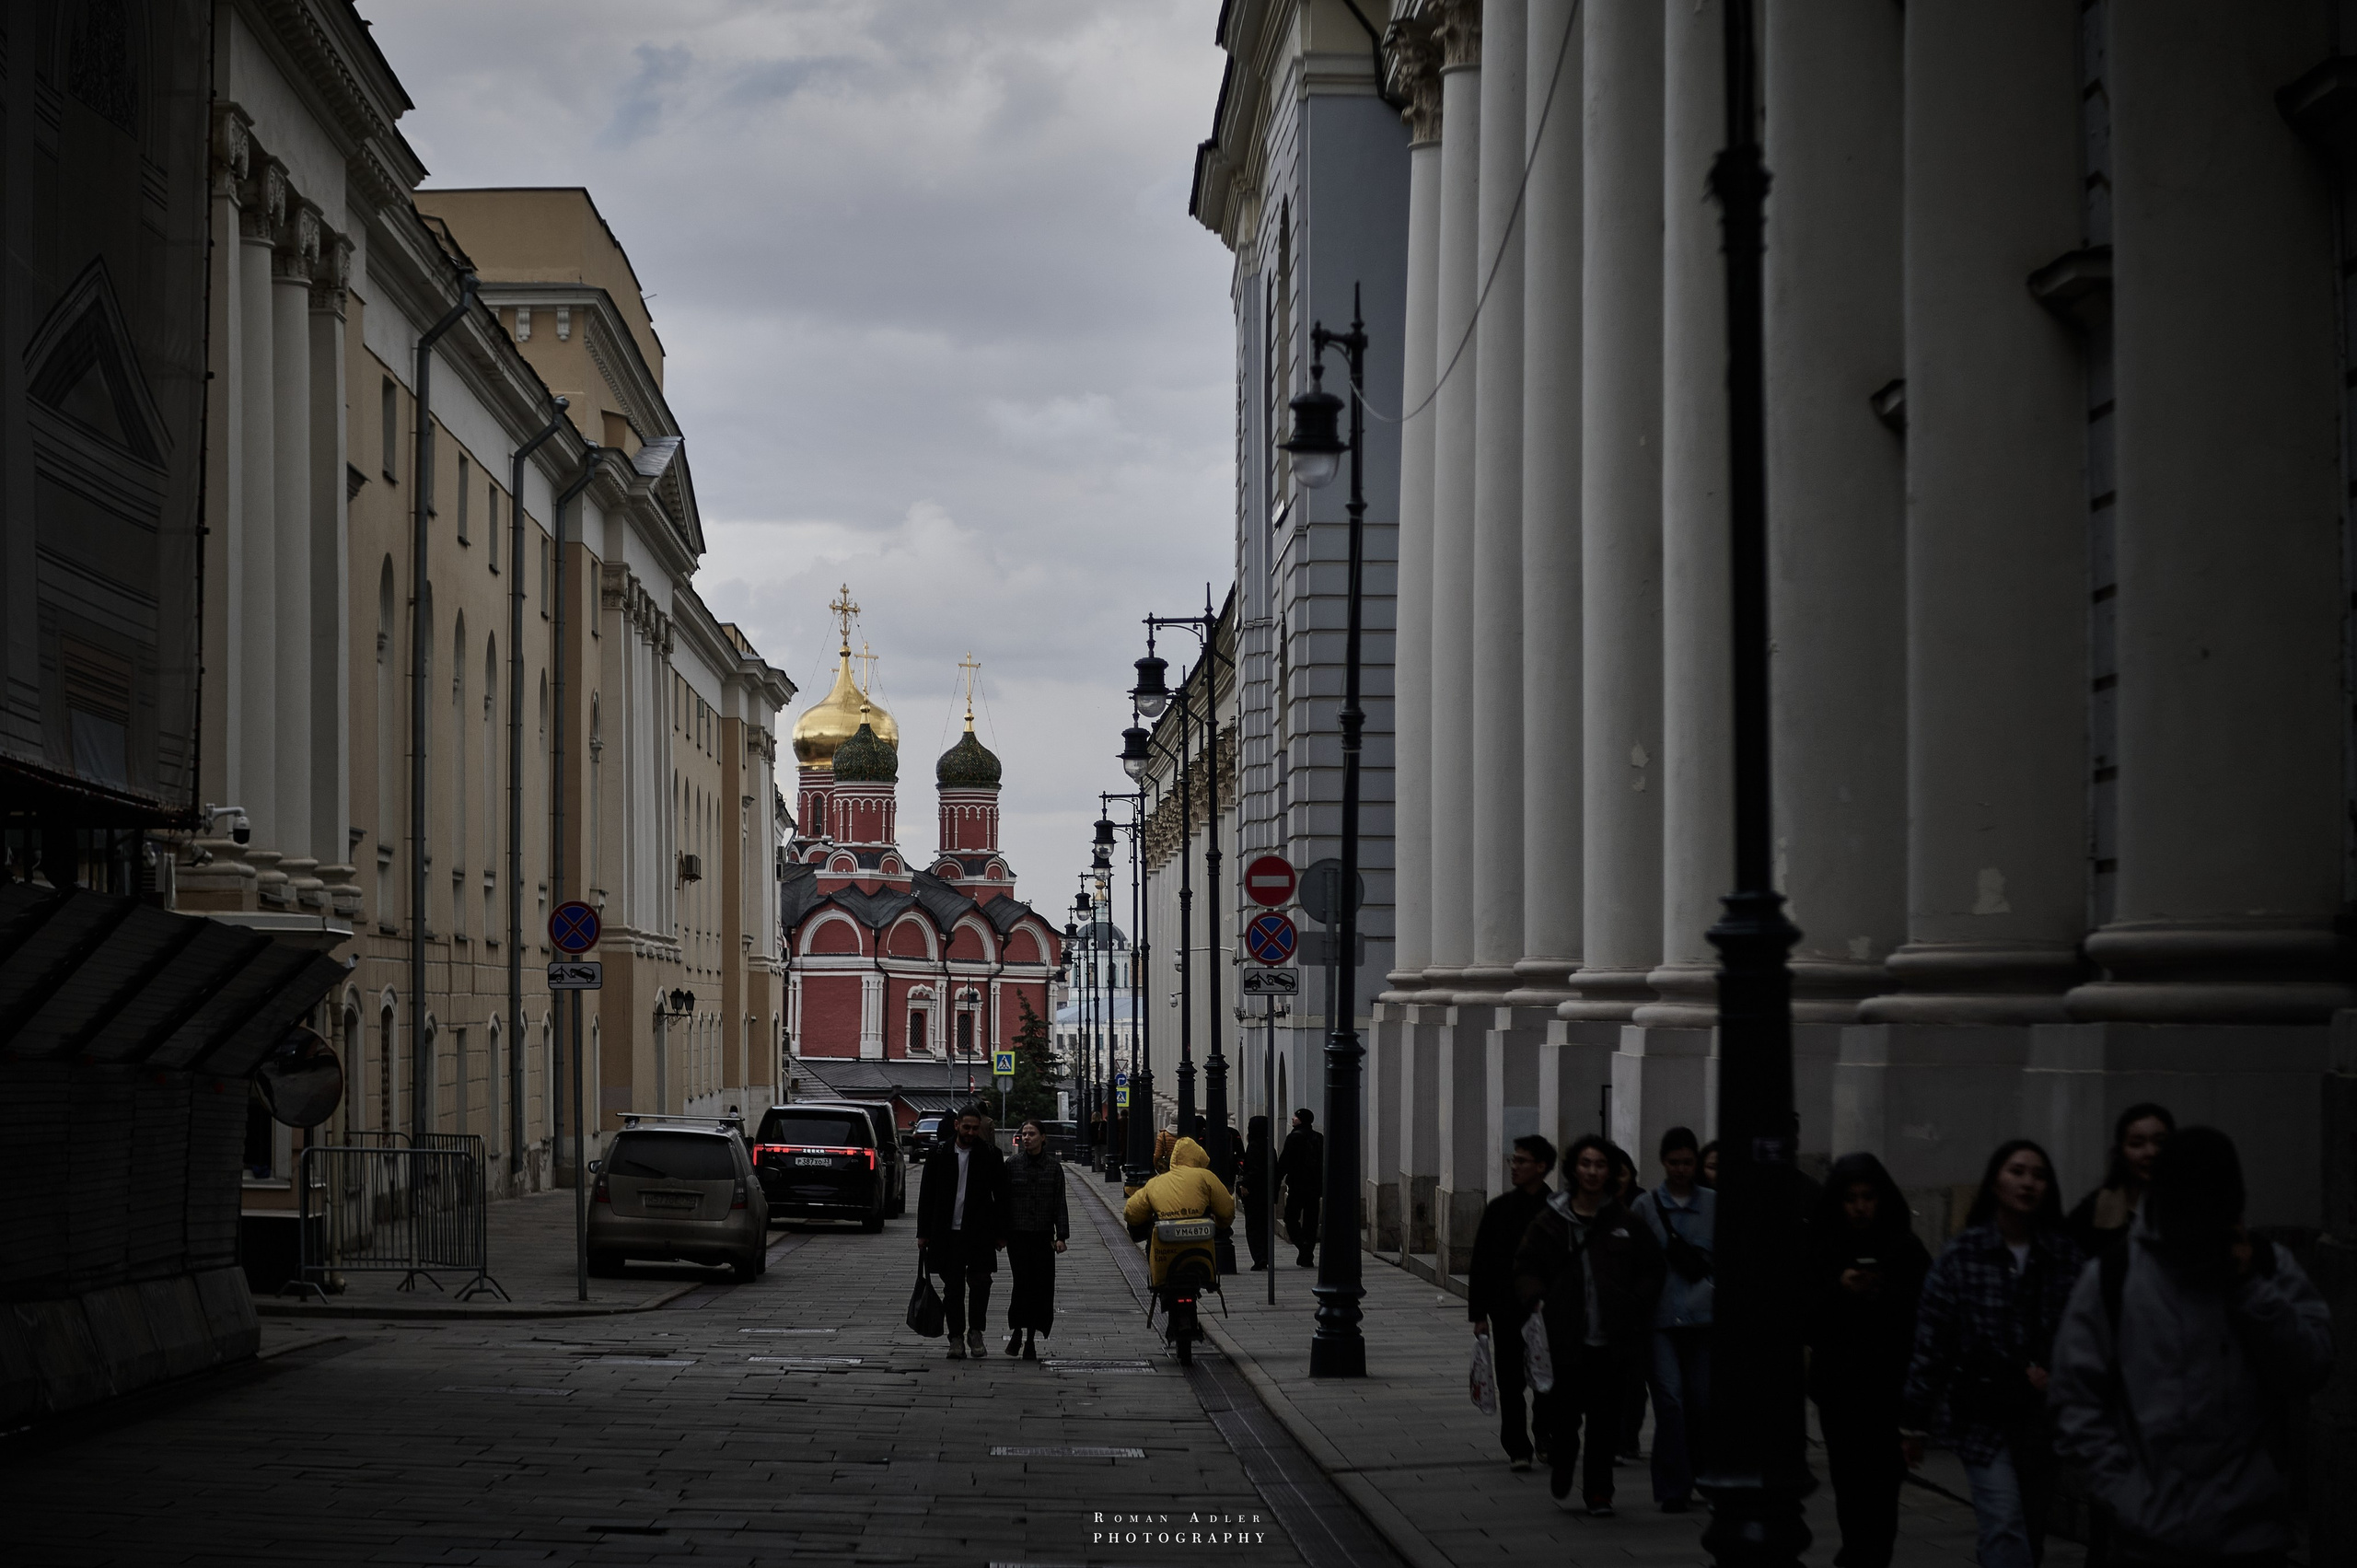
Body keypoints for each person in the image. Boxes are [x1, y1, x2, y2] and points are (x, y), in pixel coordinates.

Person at [2048, 1126, 2331, 1568]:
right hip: (2149, 1536)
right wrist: (2126, 1491)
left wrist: (2249, 1289)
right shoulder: (2115, 1276)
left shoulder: (2266, 1266)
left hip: (2249, 1536)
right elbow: (2074, 1398)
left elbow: (2311, 1365)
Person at [1902, 1140, 2082, 1568]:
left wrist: (2061, 1376)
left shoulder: (2064, 1257)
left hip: (2041, 1419)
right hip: (1982, 1415)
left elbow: (2086, 1333)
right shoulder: (1963, 1256)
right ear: (1995, 1181)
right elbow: (1933, 1340)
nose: (2027, 1182)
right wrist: (1913, 1421)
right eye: (2016, 1171)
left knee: (2027, 1532)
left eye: (2038, 1174)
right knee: (2003, 1520)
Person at [1514, 1133, 1666, 1516]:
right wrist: (1537, 1298)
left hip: (1613, 1340)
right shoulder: (1552, 1221)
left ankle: (1600, 1492)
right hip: (1566, 1339)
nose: (1593, 1171)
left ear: (1611, 1172)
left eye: (1601, 1165)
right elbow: (1526, 1265)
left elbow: (1652, 1268)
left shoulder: (1625, 1221)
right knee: (1566, 1418)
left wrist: (1635, 1304)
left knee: (1605, 1421)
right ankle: (1564, 1463)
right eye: (1586, 1164)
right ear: (1573, 1170)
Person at [1805, 1153, 1932, 1568]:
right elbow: (1805, 1316)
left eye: (1868, 1197)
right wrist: (1840, 1288)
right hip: (1841, 1392)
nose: (1860, 1207)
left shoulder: (1904, 1250)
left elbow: (1923, 1321)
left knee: (1882, 1494)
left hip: (1889, 1392)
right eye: (1851, 1198)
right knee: (1851, 1489)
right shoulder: (1823, 1249)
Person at [1630, 1127, 1714, 1511]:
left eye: (1688, 1162)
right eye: (1674, 1162)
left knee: (1700, 1403)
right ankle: (1672, 1487)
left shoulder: (1714, 1204)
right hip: (1660, 1320)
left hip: (1703, 1320)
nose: (1681, 1169)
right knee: (1670, 1402)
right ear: (1663, 1163)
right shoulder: (1646, 1208)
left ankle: (1702, 1474)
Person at [1469, 1134, 1559, 1471]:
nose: (1514, 1166)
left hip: (1546, 1310)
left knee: (1548, 1378)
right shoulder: (1500, 1209)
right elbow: (1481, 1264)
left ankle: (1545, 1435)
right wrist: (1478, 1315)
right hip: (1505, 1309)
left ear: (1542, 1167)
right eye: (1513, 1160)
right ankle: (1517, 1445)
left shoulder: (1556, 1209)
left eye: (1521, 1161)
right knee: (1510, 1380)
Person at [915, 1106, 1008, 1360]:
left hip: (980, 1232)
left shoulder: (990, 1155)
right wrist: (923, 1233)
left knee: (981, 1284)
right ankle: (955, 1337)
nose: (970, 1132)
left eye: (975, 1128)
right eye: (966, 1127)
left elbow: (1001, 1197)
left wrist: (1001, 1233)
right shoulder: (939, 1153)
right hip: (947, 1232)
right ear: (957, 1125)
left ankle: (975, 1331)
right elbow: (927, 1195)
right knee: (953, 1287)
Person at [2064, 1103, 2174, 1259]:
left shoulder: (2189, 1208)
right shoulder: (2093, 1211)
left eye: (2160, 1143)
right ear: (2120, 1152)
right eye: (2137, 1144)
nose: (2151, 1152)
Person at [1002, 1119, 1069, 1360]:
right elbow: (1004, 1202)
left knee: (1040, 1287)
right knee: (1022, 1284)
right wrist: (1001, 1234)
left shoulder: (1053, 1168)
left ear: (1043, 1138)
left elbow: (1059, 1203)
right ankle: (1017, 1331)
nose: (1026, 1138)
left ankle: (1030, 1339)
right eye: (1024, 1134)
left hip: (1042, 1237)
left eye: (1031, 1134)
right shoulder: (1012, 1165)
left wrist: (1061, 1236)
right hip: (1018, 1235)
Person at [1276, 1109, 1325, 1268]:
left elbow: (1285, 1161)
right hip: (1315, 1185)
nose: (1293, 1118)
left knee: (1290, 1218)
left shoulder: (1294, 1137)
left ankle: (1303, 1248)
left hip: (1297, 1184)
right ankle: (1307, 1252)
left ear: (1301, 1120)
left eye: (1296, 1117)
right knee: (1311, 1221)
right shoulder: (1319, 1137)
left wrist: (1277, 1179)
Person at [1238, 1115, 1274, 1272]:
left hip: (1254, 1194)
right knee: (1265, 1225)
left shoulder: (1253, 1146)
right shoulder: (1268, 1146)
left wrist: (1243, 1183)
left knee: (1253, 1227)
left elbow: (1255, 1170)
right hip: (1266, 1193)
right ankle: (1265, 1254)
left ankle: (1259, 1256)